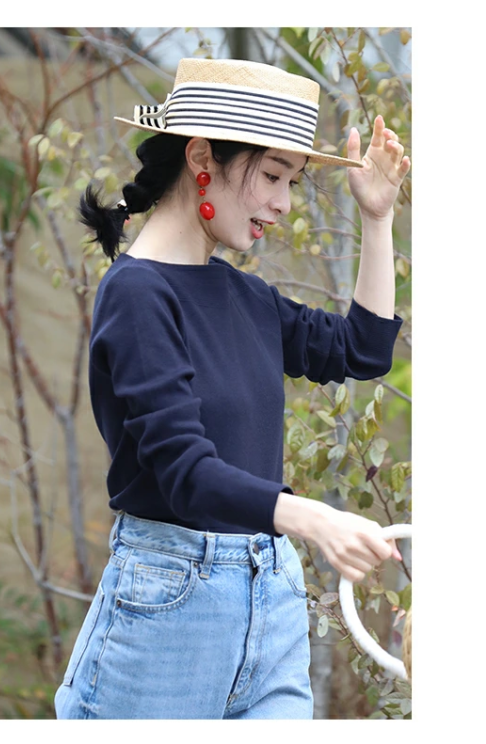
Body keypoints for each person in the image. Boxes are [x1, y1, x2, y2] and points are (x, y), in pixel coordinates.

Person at [54, 57, 410, 720]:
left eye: (292, 181)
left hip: (271, 596)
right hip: (168, 607)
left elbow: (362, 350)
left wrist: (377, 217)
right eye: (272, 176)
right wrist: (314, 518)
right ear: (201, 158)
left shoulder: (246, 296)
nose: (284, 203)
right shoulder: (136, 295)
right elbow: (186, 473)